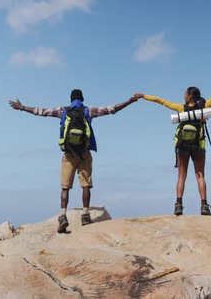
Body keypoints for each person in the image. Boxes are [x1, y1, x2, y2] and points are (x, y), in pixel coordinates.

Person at [9, 90, 137, 233]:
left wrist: (22, 107)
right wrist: (129, 101)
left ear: (71, 100)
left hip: (69, 155)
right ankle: (85, 215)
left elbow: (41, 112)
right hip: (84, 154)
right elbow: (111, 109)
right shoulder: (89, 111)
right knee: (85, 185)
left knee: (65, 187)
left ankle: (63, 216)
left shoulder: (62, 110)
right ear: (82, 98)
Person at [134, 72, 211, 216]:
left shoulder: (181, 108)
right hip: (199, 146)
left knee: (181, 176)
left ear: (189, 96)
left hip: (182, 146)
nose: (183, 96)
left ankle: (178, 206)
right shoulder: (205, 106)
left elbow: (160, 101)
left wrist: (143, 96)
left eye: (185, 94)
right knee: (200, 175)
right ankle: (204, 206)